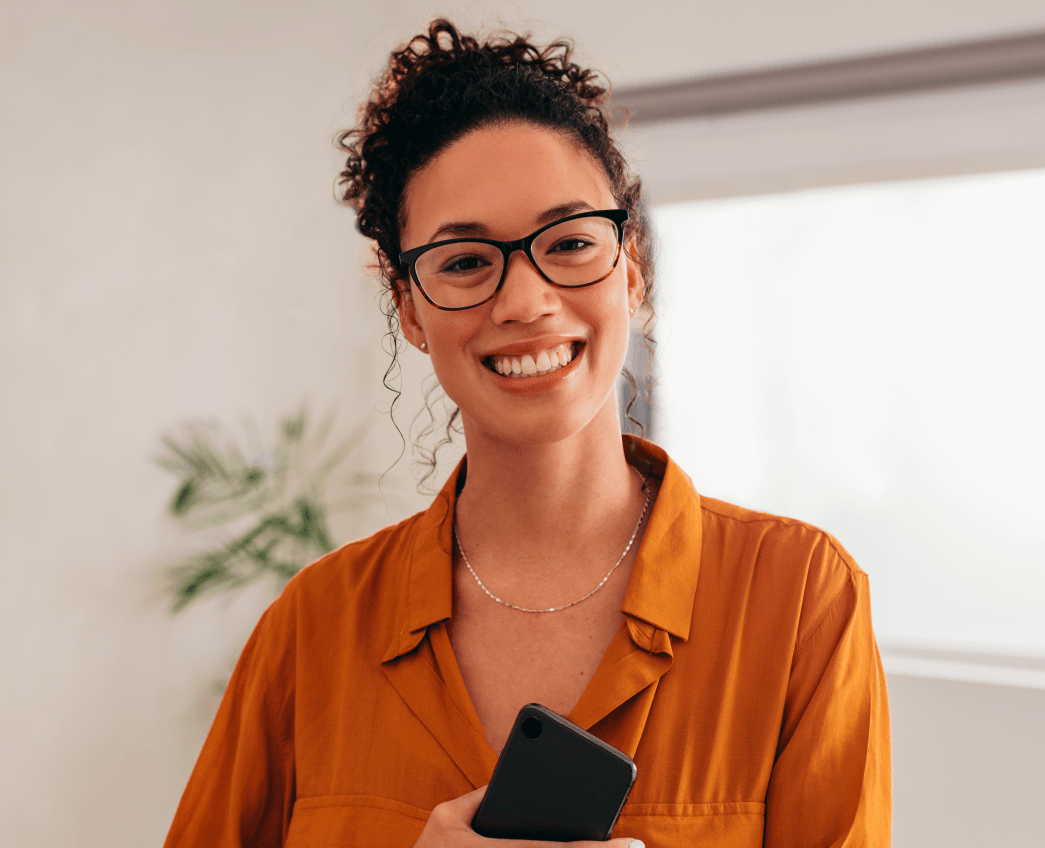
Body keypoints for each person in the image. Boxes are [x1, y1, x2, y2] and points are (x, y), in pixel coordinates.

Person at [163, 19, 891, 848]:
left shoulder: (798, 600)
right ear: (409, 308)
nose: (525, 301)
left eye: (572, 242)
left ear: (634, 271)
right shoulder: (311, 631)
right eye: (466, 261)